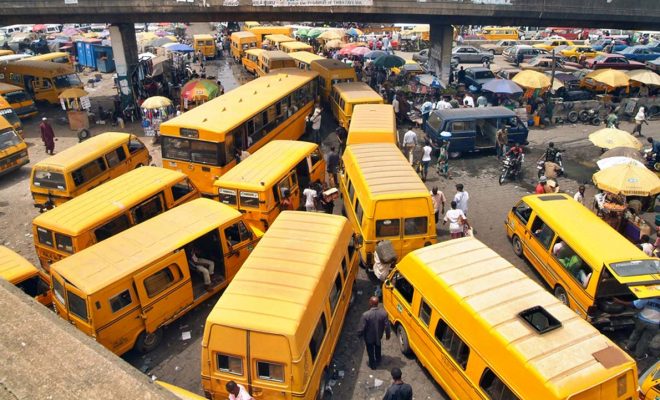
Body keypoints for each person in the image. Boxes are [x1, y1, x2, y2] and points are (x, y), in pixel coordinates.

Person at [357, 296, 391, 370]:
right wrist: (388, 335)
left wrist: (359, 335)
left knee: (370, 351)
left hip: (369, 338)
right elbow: (387, 326)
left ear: (370, 303)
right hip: (379, 335)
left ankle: (373, 365)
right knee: (378, 346)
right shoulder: (384, 313)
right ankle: (378, 359)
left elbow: (361, 328)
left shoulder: (365, 315)